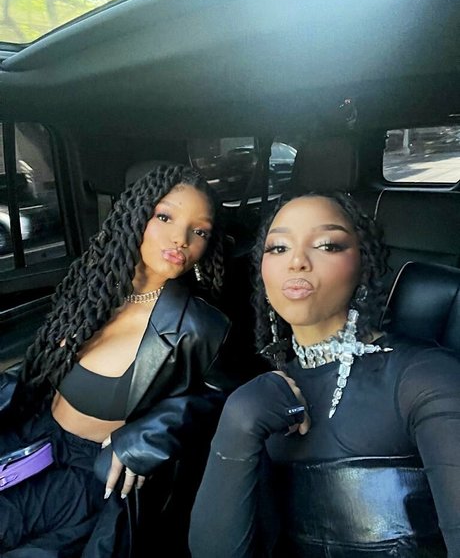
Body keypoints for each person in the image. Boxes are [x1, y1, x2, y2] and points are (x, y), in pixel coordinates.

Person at [189, 192, 460, 557]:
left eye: (327, 245)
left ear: (363, 265)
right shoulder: (263, 401)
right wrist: (236, 424)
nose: (297, 261)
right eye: (279, 248)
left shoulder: (425, 377)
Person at [0, 163, 234, 557]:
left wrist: (149, 435)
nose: (181, 239)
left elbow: (224, 399)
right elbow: (42, 365)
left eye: (200, 231)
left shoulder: (200, 326)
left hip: (84, 477)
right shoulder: (93, 288)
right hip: (30, 436)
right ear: (135, 215)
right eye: (165, 217)